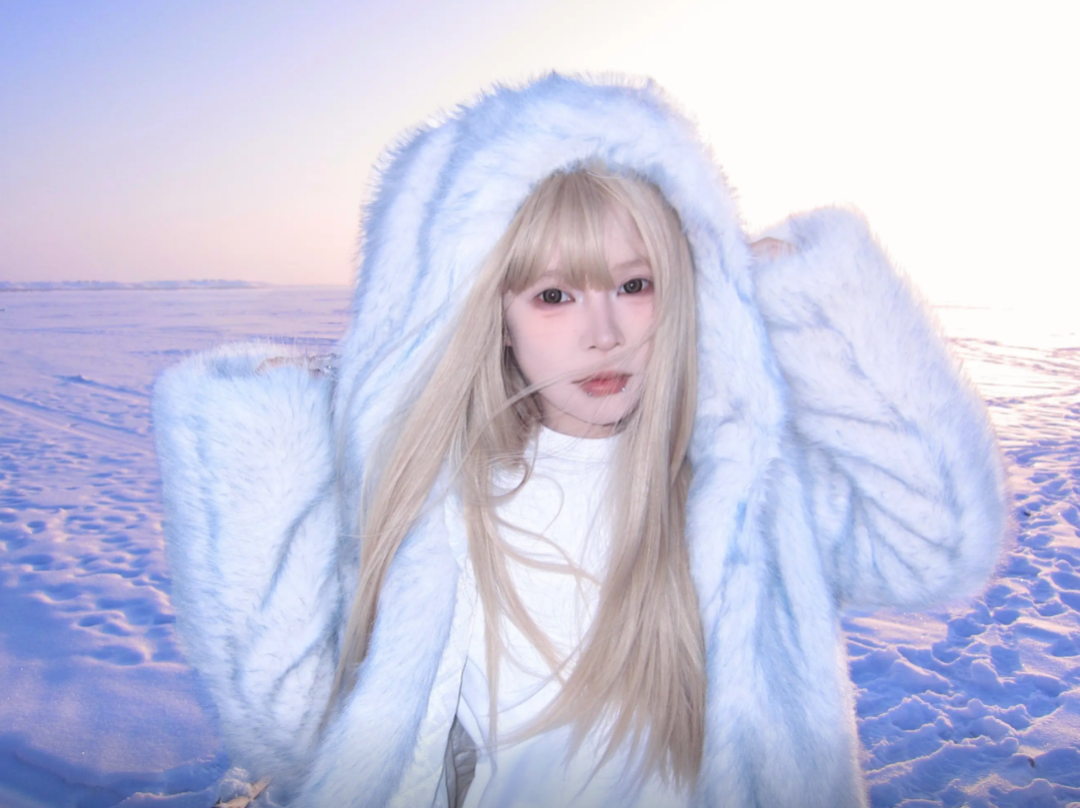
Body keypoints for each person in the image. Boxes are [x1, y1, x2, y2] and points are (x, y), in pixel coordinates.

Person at [152, 75, 1006, 808]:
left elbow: (938, 549)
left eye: (635, 284)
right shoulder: (436, 505)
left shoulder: (746, 493)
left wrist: (804, 308)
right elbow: (293, 735)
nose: (605, 333)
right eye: (555, 296)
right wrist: (263, 453)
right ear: (494, 312)